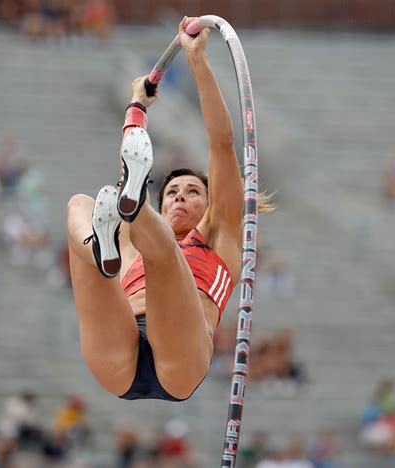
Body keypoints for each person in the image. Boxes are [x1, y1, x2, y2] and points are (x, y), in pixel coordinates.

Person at [67, 17, 272, 402]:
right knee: (81, 204)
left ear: (211, 206)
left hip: (181, 360)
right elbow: (125, 175)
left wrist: (197, 60)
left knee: (159, 245)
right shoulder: (129, 241)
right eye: (173, 191)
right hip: (119, 352)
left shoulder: (222, 234)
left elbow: (222, 145)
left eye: (193, 191)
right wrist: (136, 107)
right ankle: (98, 244)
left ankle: (133, 204)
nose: (179, 196)